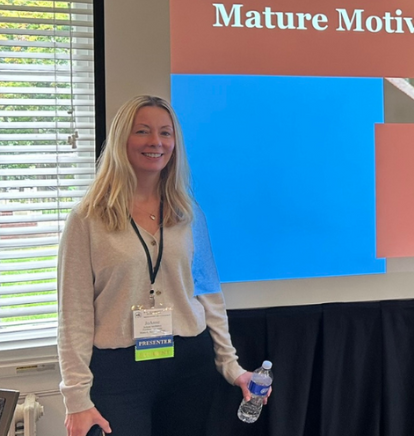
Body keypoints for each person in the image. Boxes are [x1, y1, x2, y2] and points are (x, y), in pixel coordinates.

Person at [57, 95, 264, 436]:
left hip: (188, 366)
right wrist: (75, 398)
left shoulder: (188, 214)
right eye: (142, 131)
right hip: (118, 371)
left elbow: (209, 295)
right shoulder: (87, 219)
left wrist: (231, 365)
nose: (156, 142)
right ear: (122, 139)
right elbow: (73, 315)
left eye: (165, 133)